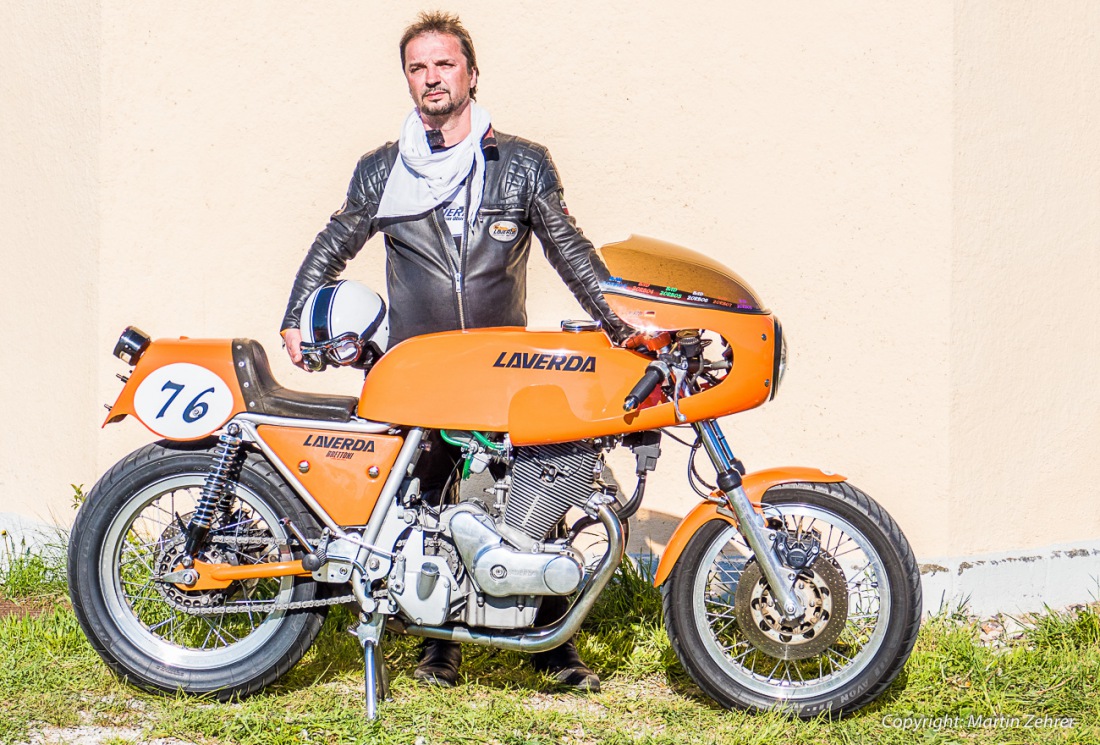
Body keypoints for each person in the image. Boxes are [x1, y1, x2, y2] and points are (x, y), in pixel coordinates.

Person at [280, 11, 634, 693]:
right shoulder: (383, 170)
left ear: (471, 73)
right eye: (418, 67)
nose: (431, 77)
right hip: (418, 372)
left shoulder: (522, 164)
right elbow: (335, 242)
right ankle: (439, 646)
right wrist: (298, 311)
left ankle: (551, 646)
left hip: (504, 367)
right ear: (408, 82)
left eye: (444, 64)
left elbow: (574, 256)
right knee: (426, 504)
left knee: (533, 503)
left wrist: (626, 324)